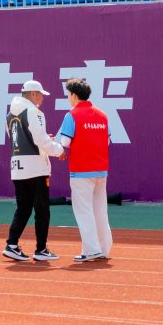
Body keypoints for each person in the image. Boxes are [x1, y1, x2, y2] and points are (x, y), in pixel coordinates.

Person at [4, 77, 62, 263]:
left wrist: (45, 140)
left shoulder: (10, 114)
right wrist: (58, 150)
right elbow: (40, 140)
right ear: (33, 94)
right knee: (42, 209)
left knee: (23, 208)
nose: (43, 98)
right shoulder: (34, 111)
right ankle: (41, 249)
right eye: (41, 95)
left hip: (17, 167)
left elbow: (19, 138)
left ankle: (12, 244)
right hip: (36, 168)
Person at [58, 77, 115, 263]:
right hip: (101, 170)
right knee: (100, 210)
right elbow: (107, 141)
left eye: (69, 94)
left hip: (81, 170)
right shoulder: (102, 115)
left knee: (84, 211)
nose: (68, 97)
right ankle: (103, 248)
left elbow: (64, 142)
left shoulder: (72, 115)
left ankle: (91, 250)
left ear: (74, 95)